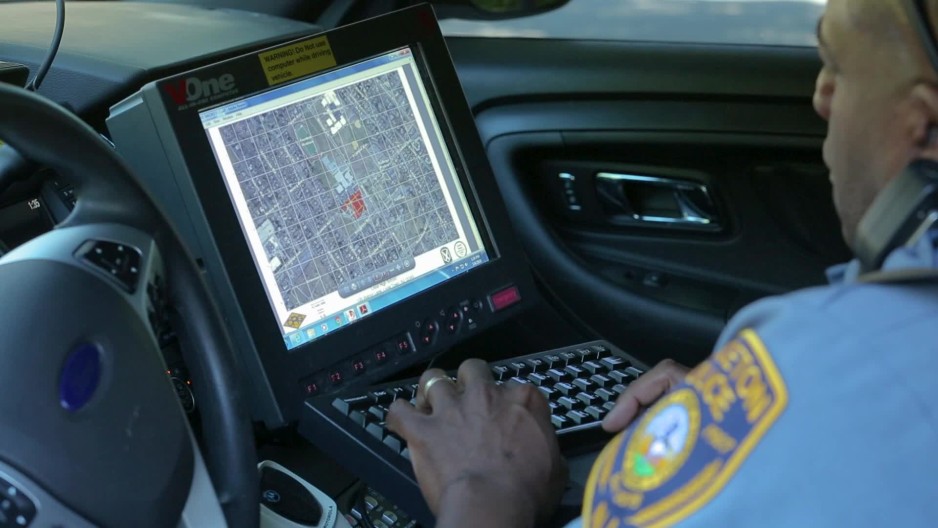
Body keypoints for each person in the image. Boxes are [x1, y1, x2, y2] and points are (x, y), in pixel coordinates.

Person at [386, 0, 938, 525]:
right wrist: (748, 425)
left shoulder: (831, 360)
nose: (820, 97)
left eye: (837, 67)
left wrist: (484, 490)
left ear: (925, 123)